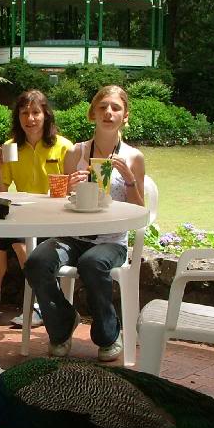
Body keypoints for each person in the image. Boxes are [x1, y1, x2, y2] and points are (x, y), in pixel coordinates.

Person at [24, 85, 145, 362]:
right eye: (102, 107)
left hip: (111, 240)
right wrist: (68, 187)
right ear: (92, 114)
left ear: (125, 116)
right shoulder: (75, 153)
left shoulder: (133, 157)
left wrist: (129, 180)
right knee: (36, 262)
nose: (108, 112)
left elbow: (139, 212)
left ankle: (107, 335)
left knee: (92, 263)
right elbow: (60, 204)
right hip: (73, 236)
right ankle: (62, 324)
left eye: (115, 108)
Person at [0, 90, 72, 328]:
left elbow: (73, 189)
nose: (30, 118)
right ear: (18, 117)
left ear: (46, 115)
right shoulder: (11, 147)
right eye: (24, 113)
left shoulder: (63, 147)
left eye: (35, 113)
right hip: (22, 215)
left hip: (53, 217)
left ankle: (40, 303)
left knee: (18, 239)